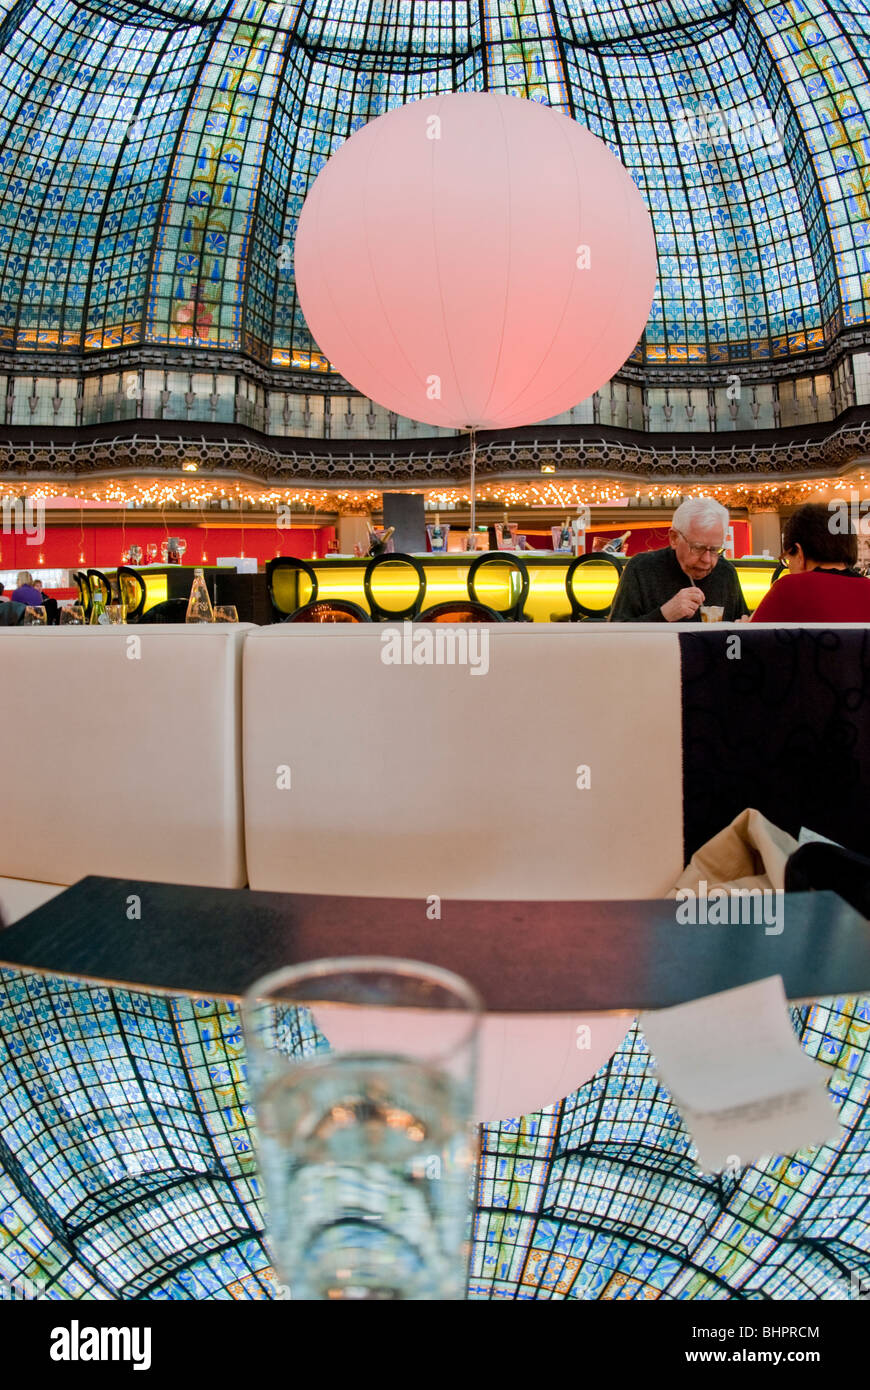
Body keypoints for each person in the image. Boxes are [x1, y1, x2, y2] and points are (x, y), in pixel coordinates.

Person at [608, 498, 748, 622]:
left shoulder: (726, 573)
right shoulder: (641, 568)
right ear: (674, 538)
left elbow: (740, 635)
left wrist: (743, 632)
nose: (707, 560)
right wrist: (664, 615)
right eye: (697, 548)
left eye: (714, 550)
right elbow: (615, 636)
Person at [751, 503, 870, 622]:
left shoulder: (788, 589)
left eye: (787, 559)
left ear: (799, 553)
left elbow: (753, 636)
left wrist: (744, 624)